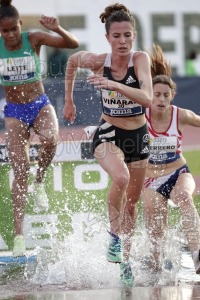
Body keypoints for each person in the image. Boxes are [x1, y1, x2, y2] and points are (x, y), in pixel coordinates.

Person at [64, 3, 152, 287]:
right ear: (107, 38)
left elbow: (148, 97)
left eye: (128, 35)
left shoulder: (140, 60)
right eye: (117, 36)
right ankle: (113, 237)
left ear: (134, 35)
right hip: (108, 132)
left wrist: (116, 86)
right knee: (121, 177)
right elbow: (71, 61)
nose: (123, 41)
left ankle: (125, 261)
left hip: (138, 138)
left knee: (132, 204)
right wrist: (69, 100)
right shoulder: (97, 60)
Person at [0, 0, 79, 257]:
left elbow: (72, 44)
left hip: (39, 104)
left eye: (14, 29)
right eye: (5, 31)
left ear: (21, 26)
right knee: (19, 168)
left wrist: (59, 29)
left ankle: (41, 180)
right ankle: (19, 237)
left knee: (50, 140)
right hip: (14, 112)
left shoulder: (32, 39)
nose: (11, 35)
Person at [141, 44, 200, 275]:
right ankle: (156, 264)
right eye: (157, 94)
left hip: (178, 172)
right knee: (156, 229)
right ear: (150, 95)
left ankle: (197, 255)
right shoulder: (140, 116)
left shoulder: (181, 115)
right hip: (150, 179)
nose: (161, 99)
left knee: (184, 197)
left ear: (172, 96)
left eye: (166, 95)